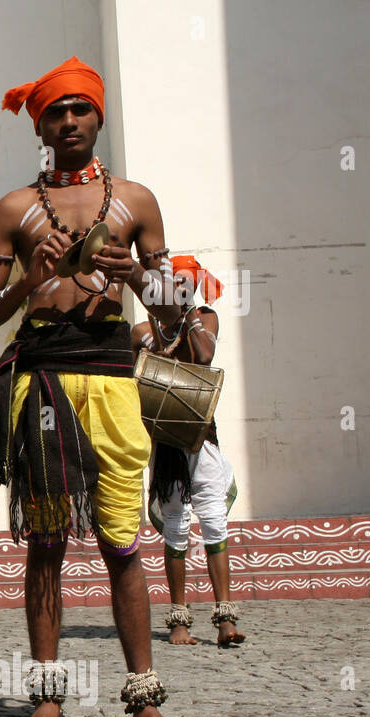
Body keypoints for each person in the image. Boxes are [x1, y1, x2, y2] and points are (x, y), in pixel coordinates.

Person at [0, 58, 192, 717]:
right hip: (42, 381)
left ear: (99, 117)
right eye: (56, 112)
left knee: (122, 545)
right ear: (38, 123)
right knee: (44, 547)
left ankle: (144, 700)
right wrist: (28, 282)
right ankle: (45, 699)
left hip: (112, 375)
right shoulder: (14, 210)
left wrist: (141, 280)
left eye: (80, 110)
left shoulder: (136, 202)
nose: (68, 122)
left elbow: (177, 315)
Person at [130, 256, 244, 647]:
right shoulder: (144, 331)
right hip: (167, 444)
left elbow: (205, 355)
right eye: (168, 287)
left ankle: (225, 618)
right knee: (177, 529)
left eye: (182, 285)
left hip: (200, 438)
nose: (175, 292)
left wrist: (190, 310)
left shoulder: (204, 319)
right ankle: (178, 620)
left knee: (214, 522)